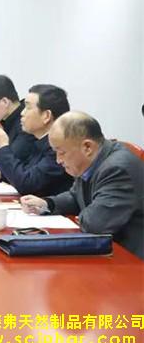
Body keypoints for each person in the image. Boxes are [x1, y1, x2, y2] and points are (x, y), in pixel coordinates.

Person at [21, 111, 144, 259]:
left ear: (87, 147)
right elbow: (76, 196)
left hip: (130, 260)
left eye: (61, 152)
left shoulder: (117, 169)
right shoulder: (94, 160)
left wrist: (82, 216)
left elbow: (96, 224)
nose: (58, 160)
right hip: (107, 251)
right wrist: (48, 203)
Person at [0, 84, 73, 196]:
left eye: (28, 108)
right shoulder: (38, 141)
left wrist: (3, 146)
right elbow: (24, 173)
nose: (22, 113)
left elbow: (27, 184)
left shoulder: (59, 149)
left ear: (46, 116)